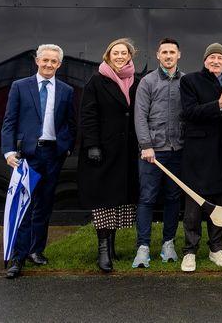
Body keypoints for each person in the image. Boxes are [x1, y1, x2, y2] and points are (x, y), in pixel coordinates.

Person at [0, 44, 76, 279]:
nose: (49, 64)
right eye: (45, 60)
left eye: (54, 61)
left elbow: (70, 123)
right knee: (25, 206)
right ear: (37, 60)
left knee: (44, 204)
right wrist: (8, 151)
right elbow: (9, 121)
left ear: (59, 64)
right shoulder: (20, 87)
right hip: (27, 156)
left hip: (53, 154)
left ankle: (36, 250)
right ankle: (18, 257)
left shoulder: (66, 90)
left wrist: (66, 147)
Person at [78, 38, 140, 273]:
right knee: (103, 200)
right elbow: (88, 114)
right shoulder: (97, 80)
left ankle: (112, 246)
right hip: (102, 151)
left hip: (126, 152)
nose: (120, 56)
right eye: (116, 53)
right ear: (108, 55)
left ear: (130, 56)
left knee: (118, 200)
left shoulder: (136, 81)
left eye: (124, 53)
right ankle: (102, 250)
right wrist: (92, 145)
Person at [179, 43, 222, 272]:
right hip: (197, 153)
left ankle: (216, 249)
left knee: (219, 203)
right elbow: (188, 113)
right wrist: (219, 104)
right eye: (211, 57)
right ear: (204, 61)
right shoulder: (190, 81)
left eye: (219, 58)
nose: (215, 61)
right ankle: (190, 252)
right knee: (193, 206)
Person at [132, 38, 184, 268]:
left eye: (172, 52)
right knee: (147, 198)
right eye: (164, 52)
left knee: (173, 198)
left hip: (177, 151)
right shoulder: (147, 81)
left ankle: (168, 244)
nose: (168, 55)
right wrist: (146, 145)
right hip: (152, 153)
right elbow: (140, 116)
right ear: (158, 55)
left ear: (178, 55)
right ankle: (143, 248)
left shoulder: (186, 81)